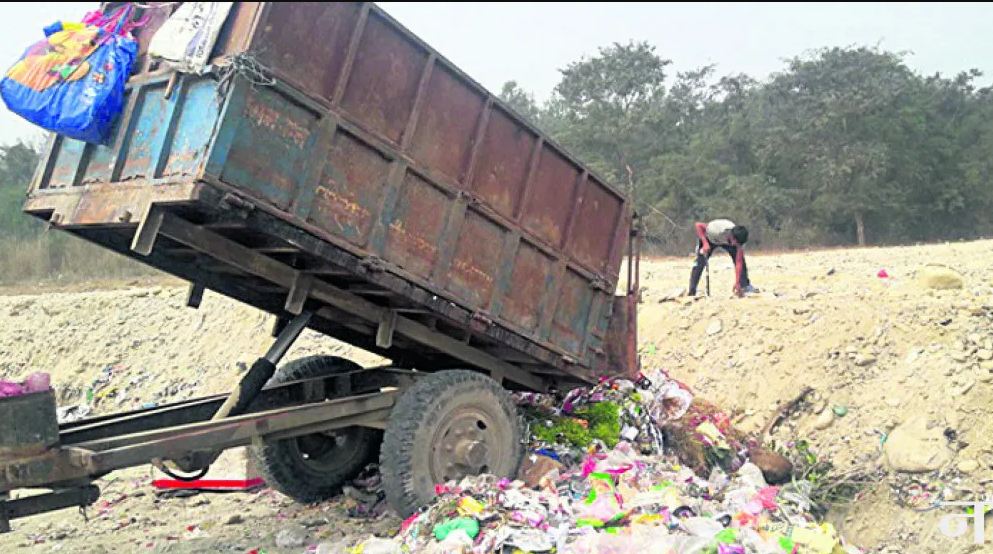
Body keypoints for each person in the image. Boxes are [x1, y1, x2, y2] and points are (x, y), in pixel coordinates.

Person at [687, 219, 755, 297]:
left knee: (742, 262)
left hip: (725, 241)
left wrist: (737, 281)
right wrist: (705, 243)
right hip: (710, 238)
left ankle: (744, 286)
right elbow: (698, 225)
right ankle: (692, 290)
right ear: (732, 236)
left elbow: (738, 262)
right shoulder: (715, 229)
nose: (734, 244)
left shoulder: (739, 242)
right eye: (735, 242)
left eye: (738, 244)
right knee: (699, 263)